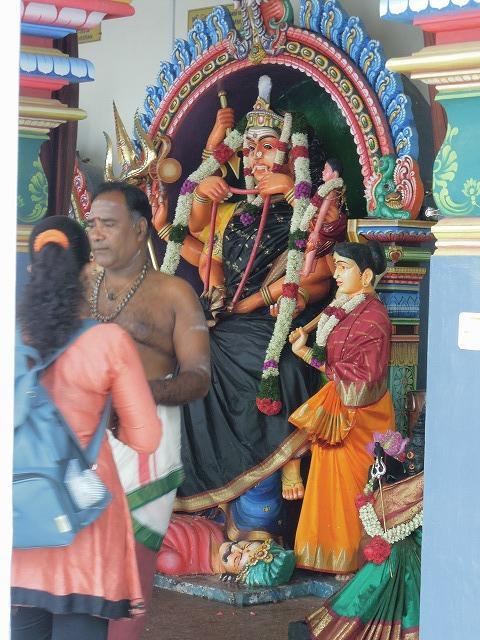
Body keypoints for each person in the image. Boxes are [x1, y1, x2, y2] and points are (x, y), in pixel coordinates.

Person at [154, 75, 347, 532]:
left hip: (277, 321)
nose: (256, 159)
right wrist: (190, 203)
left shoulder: (309, 209)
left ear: (291, 154)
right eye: (249, 149)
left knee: (260, 367)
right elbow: (204, 253)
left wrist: (292, 192)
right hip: (229, 318)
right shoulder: (238, 213)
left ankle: (275, 472)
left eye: (266, 148)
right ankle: (205, 491)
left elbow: (320, 274)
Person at [11, 216, 162, 640]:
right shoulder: (109, 342)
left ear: (32, 268)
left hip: (21, 515)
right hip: (86, 515)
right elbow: (147, 437)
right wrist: (108, 420)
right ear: (88, 269)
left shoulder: (12, 339)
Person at [84, 182, 210, 640]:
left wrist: (135, 393)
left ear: (140, 230)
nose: (97, 234)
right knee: (75, 577)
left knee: (128, 579)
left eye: (109, 224)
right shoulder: (78, 283)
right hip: (81, 441)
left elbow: (198, 377)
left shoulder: (174, 294)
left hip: (144, 447)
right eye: (92, 224)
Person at [289, 240, 395, 576]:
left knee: (354, 486)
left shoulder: (374, 316)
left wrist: (307, 355)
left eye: (344, 267)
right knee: (327, 481)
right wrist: (305, 348)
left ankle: (353, 558)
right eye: (336, 266)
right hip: (339, 403)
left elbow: (365, 376)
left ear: (366, 276)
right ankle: (328, 553)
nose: (336, 274)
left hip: (361, 413)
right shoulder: (341, 307)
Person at [289, 407, 426, 640]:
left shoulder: (433, 481)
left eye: (418, 457)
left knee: (396, 559)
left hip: (420, 551)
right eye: (410, 455)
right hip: (398, 542)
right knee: (387, 558)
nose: (412, 461)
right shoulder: (401, 477)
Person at [156, 514, 295, 587]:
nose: (235, 548)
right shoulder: (222, 529)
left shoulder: (174, 563)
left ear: (237, 576)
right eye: (245, 546)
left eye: (237, 558)